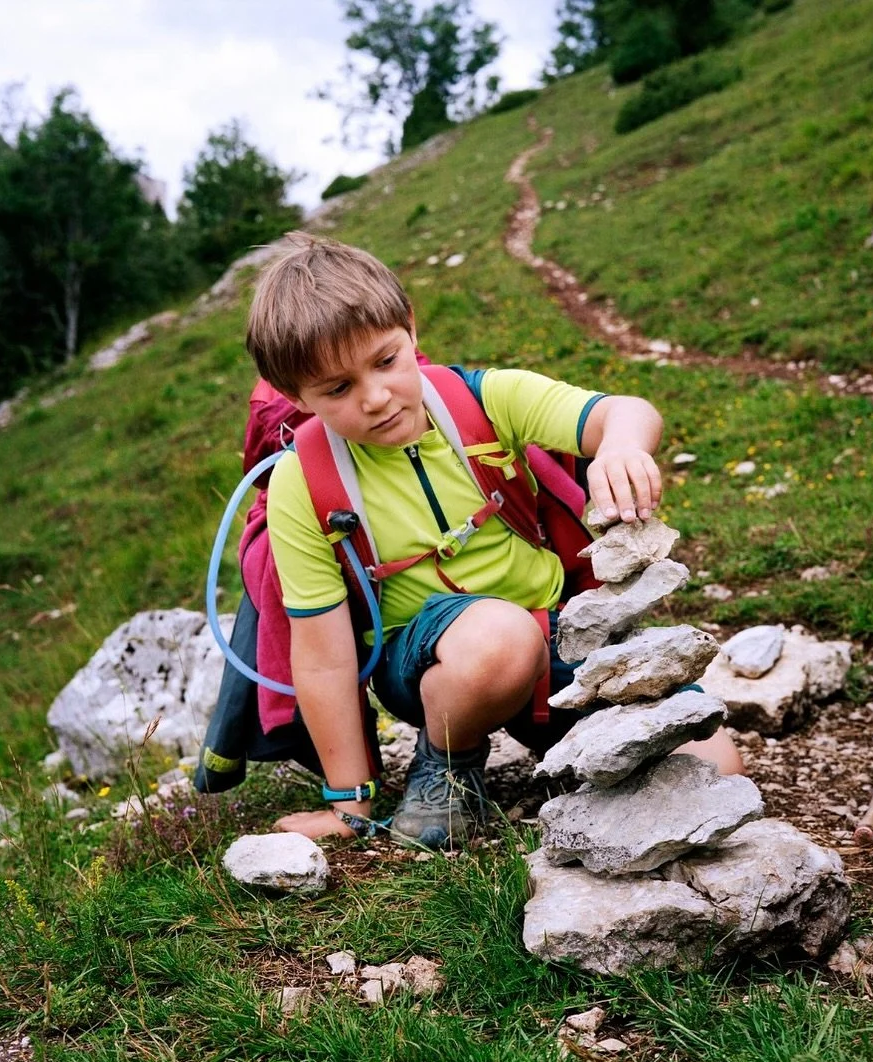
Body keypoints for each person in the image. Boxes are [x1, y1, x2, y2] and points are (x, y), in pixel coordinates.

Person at [245, 232, 743, 847]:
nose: (375, 398)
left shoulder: (484, 398)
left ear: (410, 329)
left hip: (560, 637)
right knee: (499, 637)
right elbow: (322, 655)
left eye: (384, 361)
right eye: (337, 389)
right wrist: (349, 802)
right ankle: (447, 764)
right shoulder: (301, 478)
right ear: (297, 397)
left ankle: (574, 754)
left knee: (718, 768)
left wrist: (619, 445)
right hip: (429, 663)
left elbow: (626, 410)